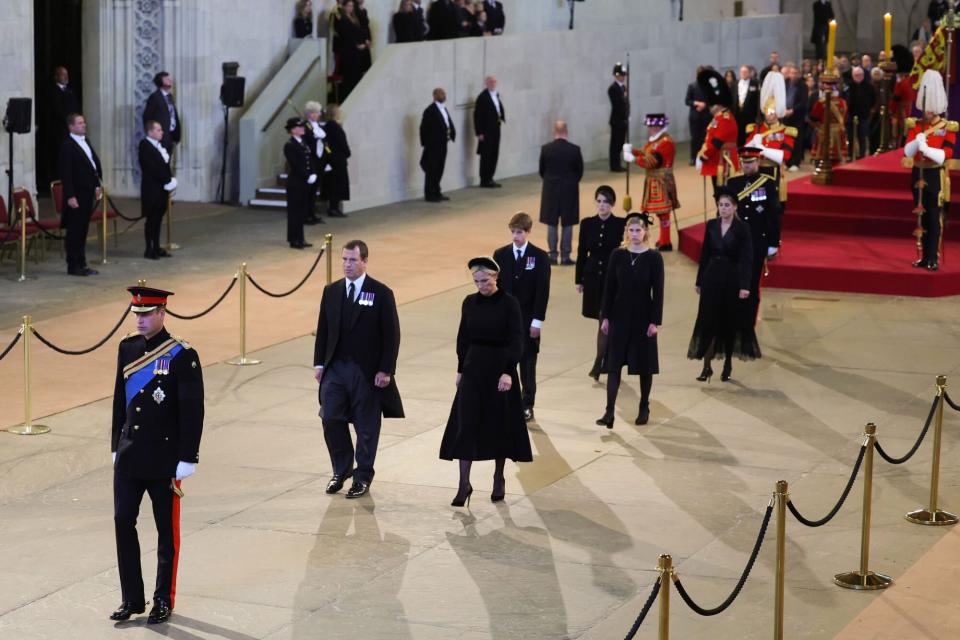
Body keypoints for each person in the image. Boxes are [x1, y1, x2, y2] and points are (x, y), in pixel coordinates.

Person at [110, 285, 204, 625]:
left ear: (162, 313)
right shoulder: (128, 348)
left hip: (165, 458)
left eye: (146, 314)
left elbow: (192, 409)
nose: (140, 320)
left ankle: (163, 598)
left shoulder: (182, 354)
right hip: (131, 455)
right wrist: (114, 446)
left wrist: (188, 457)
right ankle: (131, 597)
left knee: (167, 532)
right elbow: (120, 401)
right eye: (137, 314)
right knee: (123, 522)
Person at [313, 240, 403, 499]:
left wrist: (386, 370)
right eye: (344, 260)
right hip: (336, 369)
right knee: (330, 418)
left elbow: (391, 335)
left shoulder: (381, 293)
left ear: (364, 261)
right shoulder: (331, 291)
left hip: (367, 372)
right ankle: (341, 470)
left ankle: (362, 475)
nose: (347, 265)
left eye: (352, 260)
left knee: (366, 426)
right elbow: (324, 330)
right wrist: (320, 363)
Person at [439, 256, 532, 507]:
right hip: (473, 367)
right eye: (476, 281)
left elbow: (517, 339)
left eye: (485, 280)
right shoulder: (469, 302)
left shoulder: (510, 304)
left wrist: (508, 371)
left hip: (500, 368)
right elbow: (463, 337)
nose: (481, 285)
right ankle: (463, 484)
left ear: (496, 277)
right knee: (466, 424)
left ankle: (498, 477)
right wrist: (460, 368)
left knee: (498, 424)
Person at [596, 213, 664, 428]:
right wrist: (605, 316)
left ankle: (644, 405)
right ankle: (609, 412)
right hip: (619, 315)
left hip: (643, 316)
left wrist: (655, 321)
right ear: (626, 232)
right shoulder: (618, 255)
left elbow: (658, 292)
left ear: (645, 232)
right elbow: (609, 288)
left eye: (638, 230)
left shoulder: (654, 257)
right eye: (631, 230)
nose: (634, 234)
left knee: (645, 365)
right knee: (614, 365)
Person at [686, 187, 760, 383]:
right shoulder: (711, 225)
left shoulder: (742, 228)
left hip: (732, 279)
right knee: (708, 321)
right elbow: (705, 255)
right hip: (712, 277)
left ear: (735, 207)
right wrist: (699, 280)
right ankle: (706, 366)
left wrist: (745, 285)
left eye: (727, 205)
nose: (723, 209)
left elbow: (747, 259)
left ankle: (727, 363)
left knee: (728, 323)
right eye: (720, 205)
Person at [492, 213, 551, 422]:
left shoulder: (540, 257)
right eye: (513, 232)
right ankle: (508, 402)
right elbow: (496, 287)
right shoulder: (501, 255)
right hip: (506, 320)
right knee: (505, 363)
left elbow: (542, 291)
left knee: (527, 365)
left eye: (519, 232)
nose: (515, 236)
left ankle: (527, 404)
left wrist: (537, 321)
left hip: (527, 320)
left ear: (528, 232)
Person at [904, 69, 957, 271]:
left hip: (935, 174)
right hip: (918, 172)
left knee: (934, 216)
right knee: (922, 216)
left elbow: (946, 155)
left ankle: (933, 256)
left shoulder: (947, 127)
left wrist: (926, 148)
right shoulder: (916, 125)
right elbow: (908, 152)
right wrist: (917, 144)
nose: (927, 112)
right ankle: (924, 256)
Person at [724, 148, 781, 327]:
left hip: (757, 240)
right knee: (734, 280)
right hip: (735, 240)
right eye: (744, 162)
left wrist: (773, 242)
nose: (747, 166)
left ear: (758, 162)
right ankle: (735, 317)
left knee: (753, 283)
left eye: (750, 162)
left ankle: (749, 322)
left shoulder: (768, 184)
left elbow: (774, 214)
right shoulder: (733, 183)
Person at [575, 185, 625, 380]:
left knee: (607, 320)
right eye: (599, 201)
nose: (602, 205)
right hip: (593, 277)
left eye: (606, 201)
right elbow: (581, 253)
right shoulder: (587, 224)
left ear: (612, 204)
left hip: (613, 278)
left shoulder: (621, 223)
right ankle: (603, 361)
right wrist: (579, 279)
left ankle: (600, 362)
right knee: (601, 320)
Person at [622, 114, 681, 251]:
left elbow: (652, 161)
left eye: (651, 127)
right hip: (652, 180)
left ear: (658, 127)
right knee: (658, 213)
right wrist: (633, 151)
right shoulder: (655, 141)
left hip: (662, 181)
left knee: (664, 212)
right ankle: (662, 239)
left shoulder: (666, 142)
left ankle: (666, 241)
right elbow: (645, 153)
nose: (649, 129)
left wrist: (633, 159)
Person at [58, 113, 102, 277]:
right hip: (76, 194)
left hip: (87, 192)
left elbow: (93, 166)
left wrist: (97, 185)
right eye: (80, 123)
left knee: (83, 229)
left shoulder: (86, 141)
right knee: (75, 230)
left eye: (84, 122)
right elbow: (66, 173)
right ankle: (73, 265)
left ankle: (82, 262)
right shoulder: (67, 146)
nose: (84, 125)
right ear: (71, 127)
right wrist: (70, 195)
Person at [746, 71, 794, 218]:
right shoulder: (755, 129)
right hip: (757, 171)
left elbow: (785, 155)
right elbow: (745, 152)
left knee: (773, 207)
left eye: (772, 111)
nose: (769, 114)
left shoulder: (787, 131)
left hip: (773, 173)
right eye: (767, 111)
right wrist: (753, 142)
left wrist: (763, 150)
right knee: (756, 206)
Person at [538, 120, 584, 264]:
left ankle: (552, 255)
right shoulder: (574, 149)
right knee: (568, 223)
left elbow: (542, 170)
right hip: (569, 190)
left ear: (554, 132)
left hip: (550, 190)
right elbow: (580, 171)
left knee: (552, 223)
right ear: (566, 131)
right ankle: (565, 256)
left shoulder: (546, 149)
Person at [696, 68, 740, 194]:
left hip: (723, 160)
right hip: (717, 159)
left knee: (723, 193)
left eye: (712, 105)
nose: (709, 107)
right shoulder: (719, 118)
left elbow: (717, 141)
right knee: (718, 193)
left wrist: (704, 156)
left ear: (718, 105)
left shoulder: (725, 119)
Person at [138, 121, 178, 259]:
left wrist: (169, 179)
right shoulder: (145, 146)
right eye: (158, 130)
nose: (162, 132)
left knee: (158, 219)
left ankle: (156, 246)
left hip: (161, 189)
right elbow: (152, 168)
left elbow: (163, 167)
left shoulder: (158, 146)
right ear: (150, 132)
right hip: (152, 189)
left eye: (161, 129)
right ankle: (148, 249)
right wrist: (167, 180)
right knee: (151, 220)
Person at [283, 117, 315, 249]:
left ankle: (301, 238)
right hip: (295, 182)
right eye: (299, 127)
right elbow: (295, 164)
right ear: (292, 130)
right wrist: (307, 175)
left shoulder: (303, 142)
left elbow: (310, 158)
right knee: (294, 212)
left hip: (304, 182)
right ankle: (294, 239)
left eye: (303, 126)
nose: (303, 129)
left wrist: (313, 172)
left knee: (302, 211)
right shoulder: (289, 145)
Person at [44, 66, 80, 183]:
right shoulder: (52, 92)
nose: (66, 77)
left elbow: (75, 109)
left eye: (67, 74)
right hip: (59, 132)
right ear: (56, 76)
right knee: (60, 158)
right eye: (63, 74)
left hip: (71, 131)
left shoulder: (70, 92)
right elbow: (56, 110)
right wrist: (68, 122)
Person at [420, 87, 456, 202]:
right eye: (441, 94)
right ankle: (429, 194)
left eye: (444, 93)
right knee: (432, 170)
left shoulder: (443, 109)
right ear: (435, 96)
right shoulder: (430, 110)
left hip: (443, 144)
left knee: (439, 169)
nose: (443, 95)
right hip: (433, 146)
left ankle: (437, 191)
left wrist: (451, 134)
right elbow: (423, 128)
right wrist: (427, 144)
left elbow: (447, 123)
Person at [319, 104, 351, 218]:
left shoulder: (331, 125)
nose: (340, 113)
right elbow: (339, 142)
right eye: (338, 111)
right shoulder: (333, 126)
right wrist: (347, 152)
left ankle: (334, 208)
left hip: (335, 159)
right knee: (336, 185)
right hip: (336, 160)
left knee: (335, 185)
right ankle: (333, 208)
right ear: (334, 113)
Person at [474, 75, 505, 188]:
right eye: (490, 82)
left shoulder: (495, 95)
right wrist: (479, 132)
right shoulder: (482, 97)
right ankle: (484, 179)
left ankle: (490, 177)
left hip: (496, 128)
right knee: (486, 154)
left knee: (494, 153)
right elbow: (477, 116)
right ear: (486, 83)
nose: (493, 83)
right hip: (486, 131)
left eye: (494, 82)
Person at [809, 75, 848, 163]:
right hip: (838, 132)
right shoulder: (843, 103)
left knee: (822, 157)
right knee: (836, 158)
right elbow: (845, 118)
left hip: (824, 133)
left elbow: (813, 119)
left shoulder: (821, 103)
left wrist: (819, 127)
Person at [335, 0, 368, 100]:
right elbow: (346, 35)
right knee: (349, 78)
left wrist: (364, 42)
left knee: (357, 77)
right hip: (348, 52)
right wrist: (356, 45)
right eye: (349, 6)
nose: (351, 8)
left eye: (352, 6)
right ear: (344, 7)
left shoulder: (354, 18)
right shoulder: (342, 20)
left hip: (357, 52)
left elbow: (360, 30)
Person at [142, 72, 182, 153]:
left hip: (170, 135)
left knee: (167, 162)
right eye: (167, 79)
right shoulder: (154, 97)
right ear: (160, 82)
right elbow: (147, 116)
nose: (170, 80)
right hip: (160, 136)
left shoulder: (170, 97)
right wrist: (153, 134)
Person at [302, 101, 327, 224]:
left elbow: (323, 139)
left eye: (318, 112)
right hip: (311, 160)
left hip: (319, 159)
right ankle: (306, 215)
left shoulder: (317, 125)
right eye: (316, 112)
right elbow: (308, 141)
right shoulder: (305, 126)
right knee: (309, 190)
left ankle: (312, 214)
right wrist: (314, 136)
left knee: (315, 189)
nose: (318, 114)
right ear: (310, 114)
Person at [844, 66, 875, 159]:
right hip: (851, 115)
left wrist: (869, 109)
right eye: (856, 75)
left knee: (862, 137)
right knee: (851, 137)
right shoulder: (849, 87)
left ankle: (861, 156)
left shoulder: (869, 86)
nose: (858, 76)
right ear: (853, 76)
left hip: (863, 116)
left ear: (863, 75)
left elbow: (873, 100)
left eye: (860, 75)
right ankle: (850, 155)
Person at [782, 63, 808, 169]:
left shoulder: (803, 86)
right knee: (786, 139)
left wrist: (792, 110)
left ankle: (795, 162)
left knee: (796, 140)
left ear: (799, 74)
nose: (793, 75)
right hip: (785, 115)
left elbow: (803, 102)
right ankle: (787, 161)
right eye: (791, 73)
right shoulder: (785, 83)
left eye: (795, 73)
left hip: (797, 116)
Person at [686, 66, 712, 166]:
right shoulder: (692, 86)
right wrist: (696, 103)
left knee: (706, 137)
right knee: (695, 138)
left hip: (707, 115)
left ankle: (705, 156)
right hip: (695, 116)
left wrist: (705, 104)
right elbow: (687, 101)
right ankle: (693, 157)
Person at [608, 62, 629, 172]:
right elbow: (618, 105)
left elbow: (626, 104)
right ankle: (614, 165)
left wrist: (627, 116)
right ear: (616, 75)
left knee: (620, 143)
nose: (623, 77)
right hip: (617, 120)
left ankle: (618, 163)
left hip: (623, 120)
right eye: (621, 75)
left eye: (624, 75)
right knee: (615, 144)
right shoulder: (613, 88)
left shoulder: (623, 88)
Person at [734, 65, 760, 145]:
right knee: (738, 134)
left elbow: (758, 100)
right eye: (742, 72)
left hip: (750, 115)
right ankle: (739, 152)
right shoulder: (735, 83)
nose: (744, 74)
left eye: (745, 72)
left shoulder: (755, 84)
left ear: (749, 73)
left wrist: (758, 115)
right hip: (737, 114)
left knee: (749, 134)